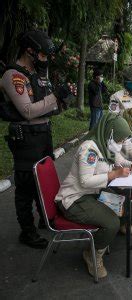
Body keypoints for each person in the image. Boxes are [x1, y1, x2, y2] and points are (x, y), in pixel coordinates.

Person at [0, 30, 75, 249]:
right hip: (26, 138)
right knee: (25, 185)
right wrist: (54, 98)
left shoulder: (39, 75)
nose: (45, 59)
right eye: (42, 55)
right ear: (30, 51)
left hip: (43, 135)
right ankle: (27, 231)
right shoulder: (14, 75)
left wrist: (62, 99)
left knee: (44, 179)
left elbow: (49, 108)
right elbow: (27, 110)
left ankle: (46, 217)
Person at [55, 114, 132, 278]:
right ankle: (92, 255)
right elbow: (85, 181)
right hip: (74, 199)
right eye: (120, 139)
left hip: (92, 195)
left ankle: (103, 240)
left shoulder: (106, 144)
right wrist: (114, 175)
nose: (121, 144)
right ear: (110, 133)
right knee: (112, 222)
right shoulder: (90, 149)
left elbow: (119, 160)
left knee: (128, 208)